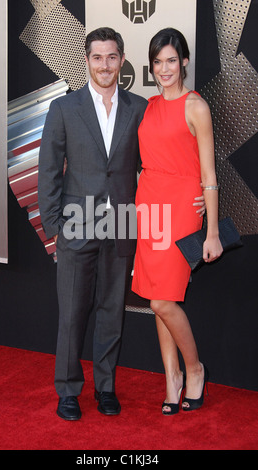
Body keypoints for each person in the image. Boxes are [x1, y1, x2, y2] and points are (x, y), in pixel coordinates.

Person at [38, 27, 205, 421]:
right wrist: (55, 225)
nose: (105, 65)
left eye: (112, 57)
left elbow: (169, 150)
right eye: (97, 57)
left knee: (112, 311)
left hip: (123, 224)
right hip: (77, 225)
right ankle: (68, 391)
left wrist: (198, 190)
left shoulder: (139, 108)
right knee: (72, 314)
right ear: (87, 61)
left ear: (122, 60)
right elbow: (49, 170)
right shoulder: (65, 108)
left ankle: (106, 388)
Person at [132, 28, 223, 415]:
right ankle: (172, 380)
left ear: (184, 61)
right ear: (151, 66)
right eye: (158, 62)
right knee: (157, 300)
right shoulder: (149, 105)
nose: (165, 68)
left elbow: (210, 175)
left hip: (183, 208)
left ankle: (195, 368)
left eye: (172, 60)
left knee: (162, 299)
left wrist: (213, 231)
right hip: (149, 206)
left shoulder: (196, 106)